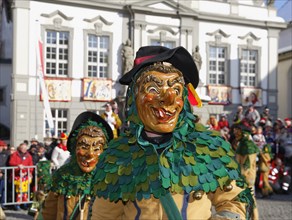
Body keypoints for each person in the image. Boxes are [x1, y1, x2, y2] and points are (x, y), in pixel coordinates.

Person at [92, 46, 256, 219]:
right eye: (153, 89)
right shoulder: (118, 157)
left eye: (176, 90)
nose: (169, 98)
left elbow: (236, 200)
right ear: (134, 97)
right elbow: (104, 216)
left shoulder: (209, 149)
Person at [42, 112, 113, 220]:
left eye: (97, 149)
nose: (89, 154)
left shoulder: (111, 179)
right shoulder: (63, 175)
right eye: (83, 146)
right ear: (74, 148)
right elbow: (48, 213)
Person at [232, 123, 259, 219]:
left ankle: (254, 218)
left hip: (246, 177)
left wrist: (239, 176)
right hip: (242, 176)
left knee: (249, 198)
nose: (235, 133)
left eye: (237, 130)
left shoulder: (248, 145)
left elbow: (247, 164)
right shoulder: (242, 144)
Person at [8, 142, 34, 210]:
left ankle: (24, 204)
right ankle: (17, 204)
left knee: (25, 191)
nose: (24, 149)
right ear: (20, 148)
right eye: (22, 148)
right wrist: (18, 165)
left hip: (25, 176)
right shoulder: (14, 154)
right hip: (17, 176)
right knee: (18, 191)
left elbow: (31, 166)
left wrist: (29, 172)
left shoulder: (29, 155)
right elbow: (11, 163)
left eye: (25, 148)